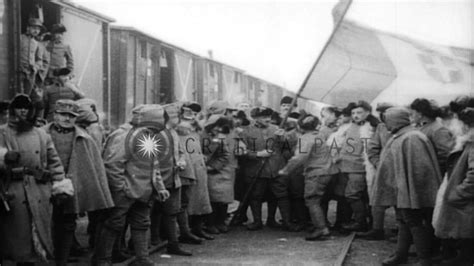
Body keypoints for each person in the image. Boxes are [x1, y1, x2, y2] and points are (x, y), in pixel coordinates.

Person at [93, 104, 170, 266]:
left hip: (143, 191)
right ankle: (102, 260)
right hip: (126, 191)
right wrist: (121, 189)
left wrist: (159, 187)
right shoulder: (123, 136)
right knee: (113, 224)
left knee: (141, 223)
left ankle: (142, 259)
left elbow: (153, 165)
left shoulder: (147, 135)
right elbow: (113, 165)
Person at [0, 94, 73, 265]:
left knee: (36, 240)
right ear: (13, 110)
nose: (23, 111)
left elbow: (54, 162)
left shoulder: (41, 135)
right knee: (16, 239)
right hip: (12, 191)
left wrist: (60, 185)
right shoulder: (2, 132)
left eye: (26, 108)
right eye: (19, 107)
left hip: (39, 191)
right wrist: (3, 157)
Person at [44, 99, 114, 265]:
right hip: (44, 185)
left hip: (70, 188)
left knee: (67, 224)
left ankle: (61, 260)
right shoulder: (41, 134)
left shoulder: (85, 138)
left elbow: (94, 168)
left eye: (71, 116)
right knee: (43, 222)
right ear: (55, 115)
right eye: (63, 114)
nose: (67, 119)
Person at [375, 107, 442, 266]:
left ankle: (424, 259)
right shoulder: (402, 135)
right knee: (404, 221)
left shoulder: (412, 137)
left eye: (388, 121)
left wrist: (412, 192)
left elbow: (419, 170)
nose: (386, 125)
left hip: (412, 191)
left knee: (414, 222)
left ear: (396, 120)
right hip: (403, 189)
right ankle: (401, 254)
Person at [279, 114, 337, 240]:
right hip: (327, 170)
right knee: (319, 200)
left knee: (312, 200)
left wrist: (285, 170)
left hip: (316, 172)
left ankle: (321, 229)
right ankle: (321, 225)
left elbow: (300, 157)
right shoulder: (320, 135)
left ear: (299, 126)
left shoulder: (306, 138)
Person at [240, 107, 295, 231]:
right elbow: (241, 152)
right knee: (256, 195)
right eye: (264, 116)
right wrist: (258, 154)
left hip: (276, 168)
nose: (268, 119)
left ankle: (282, 221)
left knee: (280, 195)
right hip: (256, 169)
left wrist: (282, 138)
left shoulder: (277, 129)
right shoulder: (246, 132)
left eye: (269, 116)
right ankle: (257, 221)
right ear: (255, 118)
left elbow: (287, 149)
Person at [433, 106, 474, 266]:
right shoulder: (467, 143)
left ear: (465, 125)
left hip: (466, 199)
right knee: (465, 231)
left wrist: (458, 193)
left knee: (467, 231)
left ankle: (463, 258)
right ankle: (459, 257)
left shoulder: (471, 145)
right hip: (464, 199)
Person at [150, 103, 192, 256]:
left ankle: (172, 244)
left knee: (171, 213)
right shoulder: (156, 133)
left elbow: (180, 152)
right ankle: (151, 241)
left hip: (174, 179)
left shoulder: (174, 133)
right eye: (176, 116)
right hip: (158, 180)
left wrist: (182, 161)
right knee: (153, 212)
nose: (178, 118)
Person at [176, 102, 214, 240]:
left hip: (198, 166)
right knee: (187, 201)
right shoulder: (177, 131)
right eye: (188, 113)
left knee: (200, 199)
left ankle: (197, 228)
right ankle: (186, 231)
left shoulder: (196, 130)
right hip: (186, 168)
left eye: (194, 114)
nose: (191, 117)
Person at [358, 102, 394, 240]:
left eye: (386, 112)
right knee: (377, 197)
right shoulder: (380, 127)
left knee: (401, 201)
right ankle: (377, 229)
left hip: (400, 170)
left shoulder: (408, 130)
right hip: (381, 169)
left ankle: (403, 230)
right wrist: (379, 164)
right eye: (382, 113)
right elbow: (372, 148)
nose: (384, 116)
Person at [338, 100, 375, 232]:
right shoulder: (349, 126)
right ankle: (362, 221)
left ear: (367, 113)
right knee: (351, 195)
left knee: (352, 194)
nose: (355, 115)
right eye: (353, 113)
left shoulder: (371, 128)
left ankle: (361, 223)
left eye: (359, 112)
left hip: (359, 167)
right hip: (345, 166)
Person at [203, 115, 234, 234]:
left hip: (217, 171)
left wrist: (213, 167)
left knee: (221, 200)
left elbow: (225, 154)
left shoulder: (219, 137)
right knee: (213, 200)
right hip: (211, 171)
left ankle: (219, 222)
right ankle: (211, 223)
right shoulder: (204, 136)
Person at [410, 98, 455, 175]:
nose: (412, 116)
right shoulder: (424, 127)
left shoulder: (438, 130)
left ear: (420, 114)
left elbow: (447, 156)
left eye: (413, 113)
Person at [19, 18, 45, 94]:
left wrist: (35, 67)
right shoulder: (20, 38)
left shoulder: (37, 43)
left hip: (31, 73)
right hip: (19, 72)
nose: (36, 31)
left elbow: (39, 60)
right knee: (19, 95)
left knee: (27, 95)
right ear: (28, 28)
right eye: (34, 28)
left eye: (38, 29)